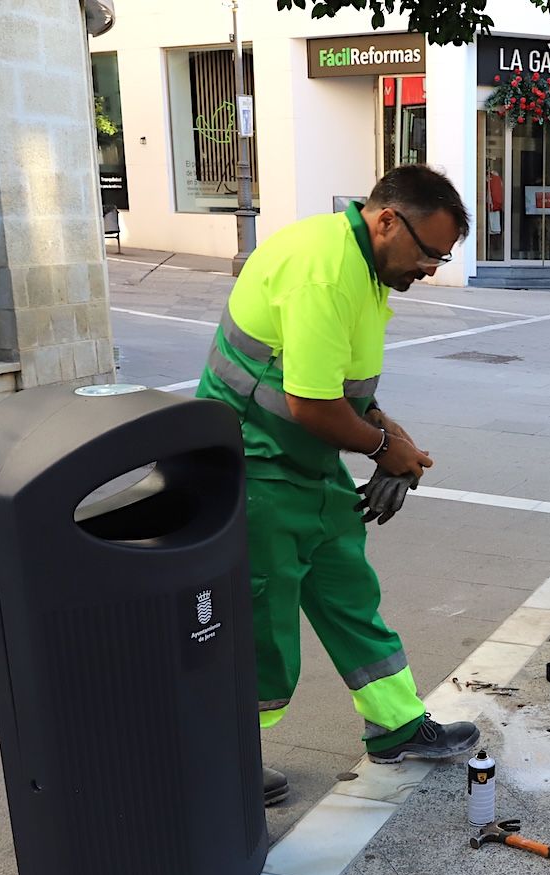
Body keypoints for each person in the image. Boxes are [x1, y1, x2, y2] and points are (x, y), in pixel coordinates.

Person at [196, 165, 481, 806]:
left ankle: (398, 726)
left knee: (349, 588)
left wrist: (391, 443)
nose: (432, 269)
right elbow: (310, 404)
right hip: (254, 464)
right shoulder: (324, 272)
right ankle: (225, 759)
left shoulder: (365, 265)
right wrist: (386, 448)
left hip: (305, 463)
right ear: (387, 221)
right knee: (265, 624)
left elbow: (349, 395)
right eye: (429, 253)